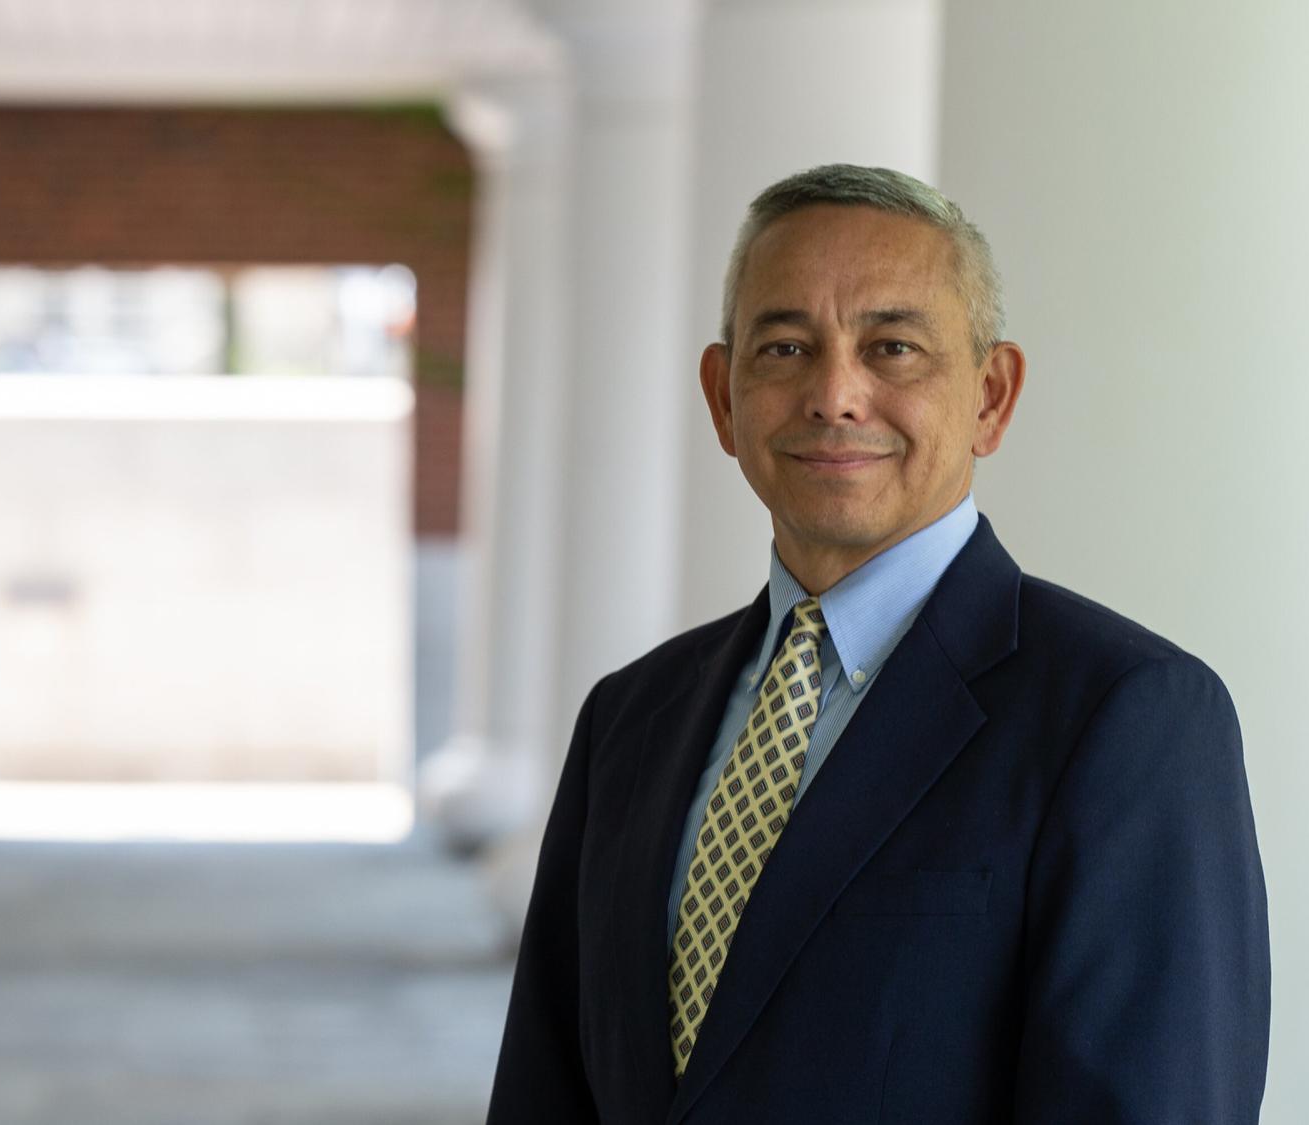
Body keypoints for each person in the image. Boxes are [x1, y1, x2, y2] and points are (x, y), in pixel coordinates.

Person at [484, 164, 1270, 1124]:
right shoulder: (629, 717)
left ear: (991, 395)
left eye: (892, 346)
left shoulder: (1127, 716)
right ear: (723, 397)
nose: (835, 394)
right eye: (783, 347)